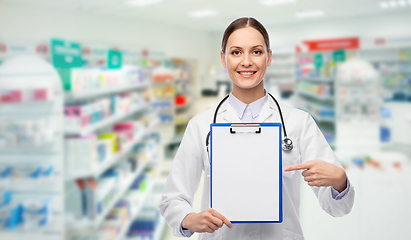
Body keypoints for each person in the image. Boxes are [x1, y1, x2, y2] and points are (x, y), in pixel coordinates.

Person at [158, 17, 355, 240]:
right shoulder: (201, 125)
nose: (246, 61)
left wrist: (340, 181)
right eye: (236, 52)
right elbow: (172, 199)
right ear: (223, 59)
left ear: (269, 57)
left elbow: (338, 208)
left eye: (256, 52)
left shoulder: (299, 123)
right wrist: (187, 219)